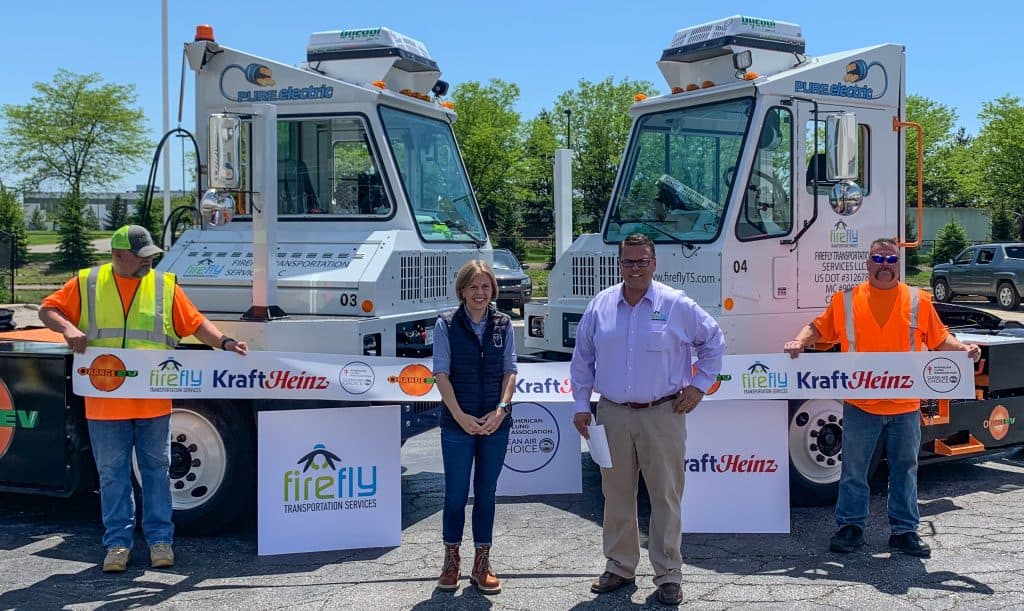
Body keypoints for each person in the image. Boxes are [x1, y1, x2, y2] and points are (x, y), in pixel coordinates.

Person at [38, 225, 249, 573]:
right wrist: (68, 328)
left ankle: (160, 541)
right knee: (113, 475)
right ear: (119, 255)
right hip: (105, 403)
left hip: (153, 401)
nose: (149, 262)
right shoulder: (88, 283)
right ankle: (117, 545)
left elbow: (194, 323)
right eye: (142, 256)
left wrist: (224, 341)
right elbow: (49, 310)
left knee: (156, 472)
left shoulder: (164, 286)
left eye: (152, 255)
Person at [784, 237, 980, 558]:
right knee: (853, 470)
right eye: (879, 259)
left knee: (905, 468)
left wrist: (963, 350)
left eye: (891, 260)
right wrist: (798, 341)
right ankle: (850, 527)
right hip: (861, 403)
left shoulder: (918, 300)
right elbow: (818, 327)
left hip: (905, 405)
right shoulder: (846, 300)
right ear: (868, 262)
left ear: (898, 265)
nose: (884, 266)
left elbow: (940, 338)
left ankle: (904, 531)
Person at [571, 233, 724, 606]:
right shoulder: (600, 306)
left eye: (642, 261)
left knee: (665, 496)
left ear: (654, 264)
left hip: (664, 413)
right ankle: (620, 567)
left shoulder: (676, 304)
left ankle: (668, 574)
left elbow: (714, 339)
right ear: (619, 264)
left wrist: (700, 385)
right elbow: (583, 359)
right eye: (628, 261)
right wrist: (580, 405)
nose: (635, 268)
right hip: (612, 413)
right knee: (616, 495)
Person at [432, 260, 517, 594]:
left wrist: (500, 410)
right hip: (458, 424)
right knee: (455, 494)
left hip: (496, 422)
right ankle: (451, 559)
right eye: (473, 287)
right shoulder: (446, 324)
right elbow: (441, 373)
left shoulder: (503, 323)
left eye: (485, 287)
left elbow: (510, 371)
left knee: (486, 493)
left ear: (492, 289)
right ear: (462, 290)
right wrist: (460, 416)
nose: (480, 293)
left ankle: (482, 562)